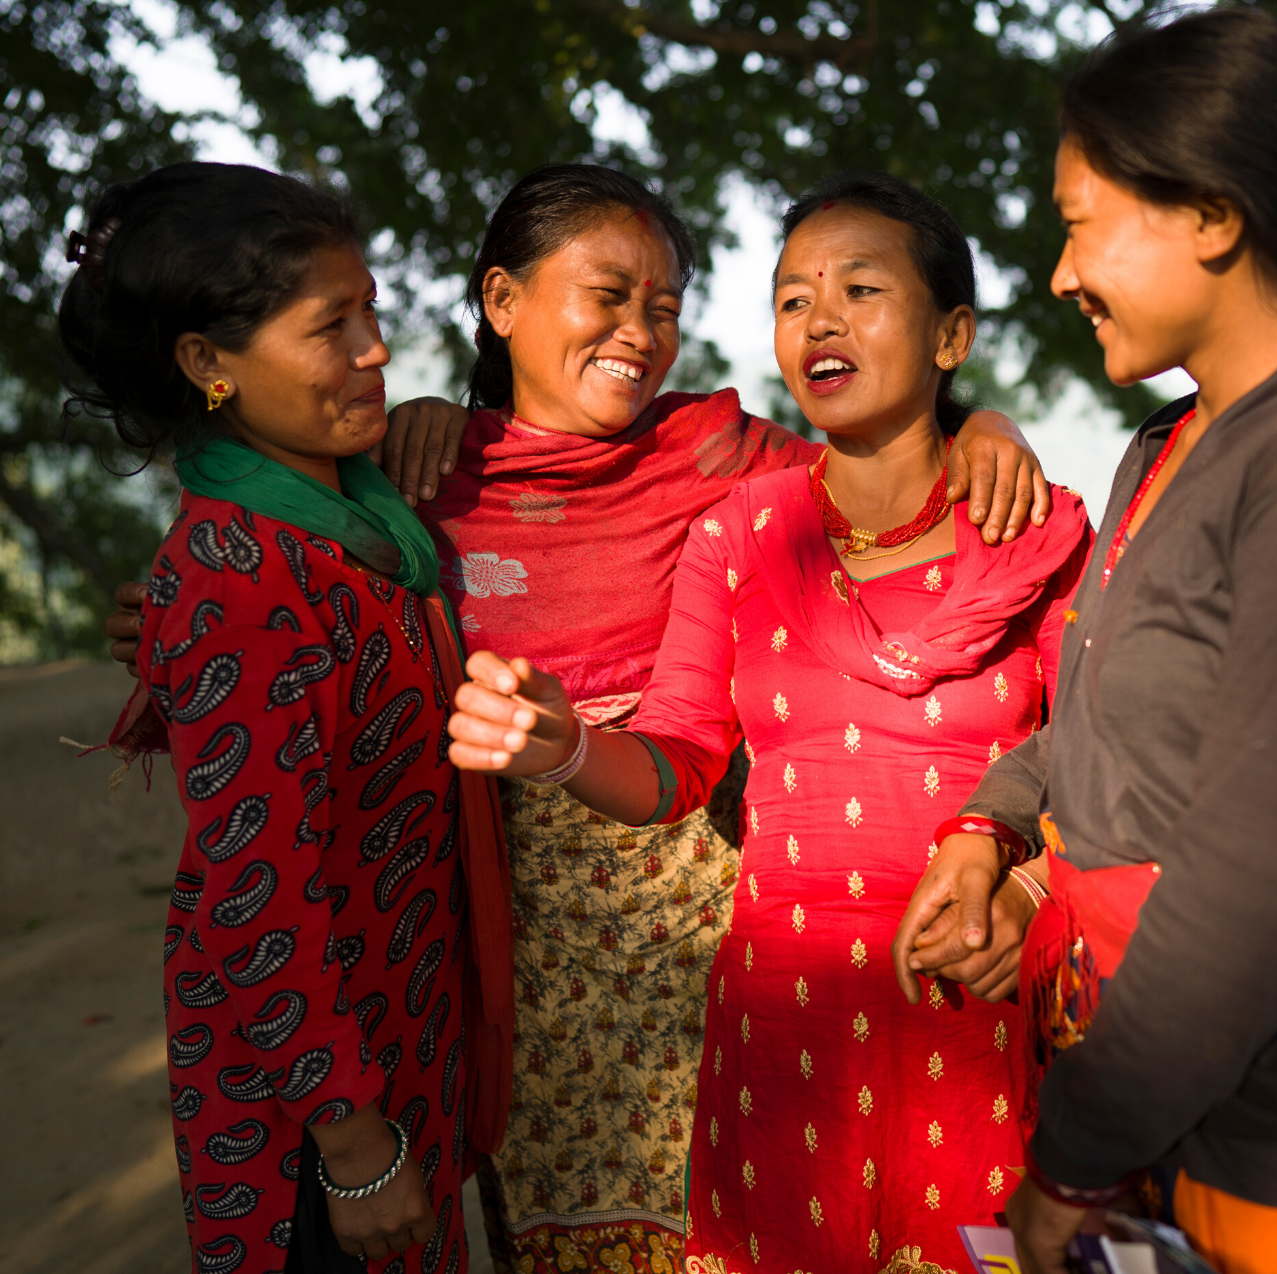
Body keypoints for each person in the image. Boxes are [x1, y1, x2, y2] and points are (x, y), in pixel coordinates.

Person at [104, 163, 1052, 1273]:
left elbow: (884, 461)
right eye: (607, 294)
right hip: (519, 984)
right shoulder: (416, 480)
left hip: (716, 970)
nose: (640, 333)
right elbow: (284, 663)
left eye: (664, 307)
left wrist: (981, 419)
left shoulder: (718, 460)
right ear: (502, 303)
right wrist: (173, 624)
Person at [892, 12, 1277, 1274]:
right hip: (1176, 1131)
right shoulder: (1167, 451)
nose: (1060, 274)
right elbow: (1114, 716)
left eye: (1080, 222)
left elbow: (1254, 891)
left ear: (1212, 215)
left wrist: (1074, 1150)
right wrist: (990, 822)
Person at [445, 171, 1094, 1274]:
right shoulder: (743, 533)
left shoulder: (1035, 531)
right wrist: (563, 748)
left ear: (952, 334)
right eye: (792, 299)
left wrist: (1028, 896)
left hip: (986, 1009)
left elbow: (1113, 752)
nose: (819, 320)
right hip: (783, 1038)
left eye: (858, 289)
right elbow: (677, 764)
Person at [64, 161, 510, 1273]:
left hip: (399, 1045)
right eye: (330, 325)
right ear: (209, 364)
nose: (374, 349)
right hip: (308, 1112)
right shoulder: (238, 573)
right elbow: (254, 894)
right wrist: (353, 1141)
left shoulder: (357, 528)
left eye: (371, 312)